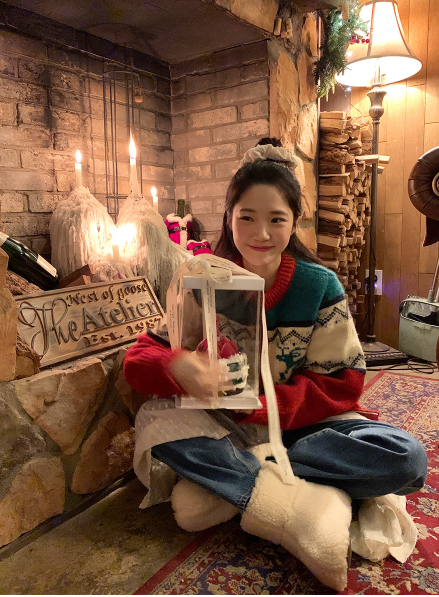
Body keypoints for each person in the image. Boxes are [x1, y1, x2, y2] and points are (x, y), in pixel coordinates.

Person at [123, 139, 427, 590]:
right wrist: (177, 364)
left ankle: (242, 484)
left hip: (309, 431)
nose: (260, 233)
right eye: (246, 217)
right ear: (228, 218)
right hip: (230, 430)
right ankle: (298, 500)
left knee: (407, 459)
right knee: (152, 423)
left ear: (295, 220)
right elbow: (137, 359)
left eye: (276, 219)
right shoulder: (205, 280)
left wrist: (264, 407)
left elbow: (342, 385)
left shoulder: (318, 285)